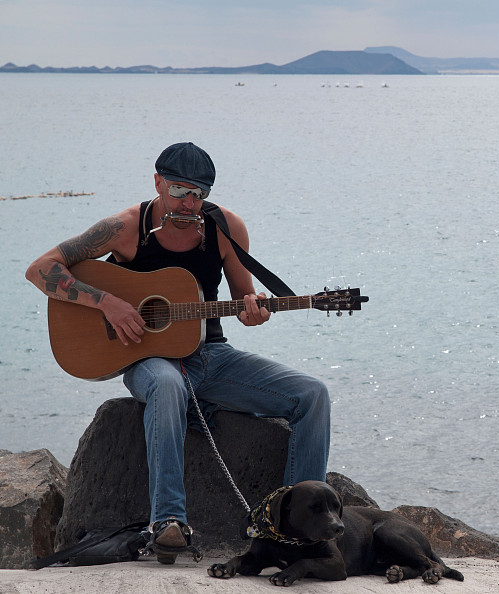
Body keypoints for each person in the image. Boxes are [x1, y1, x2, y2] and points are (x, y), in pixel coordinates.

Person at [25, 142, 331, 563]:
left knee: (312, 394)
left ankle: (301, 528)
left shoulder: (225, 228)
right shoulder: (125, 228)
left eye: (199, 194)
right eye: (180, 191)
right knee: (168, 385)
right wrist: (107, 303)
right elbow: (41, 268)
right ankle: (168, 522)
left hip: (212, 356)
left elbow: (244, 302)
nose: (190, 203)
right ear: (157, 183)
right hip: (148, 360)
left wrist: (257, 311)